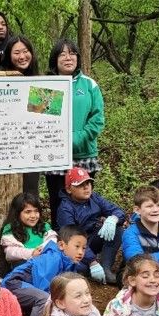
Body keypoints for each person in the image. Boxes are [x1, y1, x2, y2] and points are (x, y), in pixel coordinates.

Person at [43, 39, 105, 228]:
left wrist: (76, 139)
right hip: (56, 155)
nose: (68, 58)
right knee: (58, 201)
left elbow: (97, 118)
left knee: (84, 200)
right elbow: (42, 122)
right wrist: (61, 142)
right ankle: (61, 242)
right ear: (55, 59)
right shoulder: (47, 85)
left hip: (84, 153)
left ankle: (85, 245)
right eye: (62, 54)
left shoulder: (89, 85)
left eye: (72, 53)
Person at [1, 225, 87, 316]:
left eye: (84, 248)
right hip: (13, 284)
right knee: (44, 299)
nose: (80, 252)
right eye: (77, 246)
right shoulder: (53, 258)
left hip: (29, 288)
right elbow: (42, 287)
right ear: (61, 245)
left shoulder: (70, 262)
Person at [56, 167, 124, 285]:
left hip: (94, 237)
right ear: (69, 189)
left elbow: (117, 211)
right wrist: (92, 261)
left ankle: (105, 267)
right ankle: (92, 266)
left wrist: (114, 218)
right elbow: (71, 237)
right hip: (76, 244)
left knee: (117, 230)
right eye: (80, 184)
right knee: (78, 265)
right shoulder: (65, 208)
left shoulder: (94, 197)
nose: (86, 187)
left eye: (88, 183)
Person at [0, 35, 40, 196]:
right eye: (16, 53)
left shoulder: (38, 81)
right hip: (4, 151)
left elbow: (45, 116)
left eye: (25, 51)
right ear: (8, 55)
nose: (22, 56)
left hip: (31, 150)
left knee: (30, 196)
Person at [0, 192, 58, 269]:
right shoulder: (10, 228)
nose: (33, 216)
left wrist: (41, 250)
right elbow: (10, 253)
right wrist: (32, 253)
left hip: (45, 263)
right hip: (24, 268)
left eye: (36, 211)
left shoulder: (44, 226)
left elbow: (52, 240)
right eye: (28, 212)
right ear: (17, 213)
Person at [122, 186, 159, 265]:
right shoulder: (131, 233)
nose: (155, 210)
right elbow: (135, 260)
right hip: (139, 274)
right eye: (149, 206)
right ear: (137, 210)